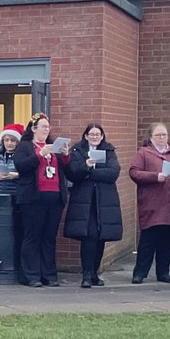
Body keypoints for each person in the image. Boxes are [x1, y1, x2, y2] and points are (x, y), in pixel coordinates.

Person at [128, 122, 170, 284]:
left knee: (168, 241)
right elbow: (134, 172)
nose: (162, 138)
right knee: (148, 241)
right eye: (158, 135)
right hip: (153, 205)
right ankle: (140, 273)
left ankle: (163, 272)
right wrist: (155, 176)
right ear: (151, 137)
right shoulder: (143, 153)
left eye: (164, 135)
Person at [12, 113, 69, 287]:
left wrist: (65, 156)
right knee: (32, 237)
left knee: (49, 237)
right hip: (33, 198)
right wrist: (39, 155)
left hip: (54, 197)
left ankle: (49, 275)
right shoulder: (25, 146)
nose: (46, 129)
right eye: (43, 126)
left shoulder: (54, 147)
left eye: (47, 127)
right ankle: (31, 275)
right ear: (33, 129)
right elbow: (20, 166)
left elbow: (67, 170)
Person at [63, 123, 122, 288]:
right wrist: (85, 167)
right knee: (88, 237)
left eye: (98, 134)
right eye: (92, 134)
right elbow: (73, 173)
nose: (95, 137)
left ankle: (95, 273)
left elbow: (113, 172)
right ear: (86, 136)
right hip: (84, 201)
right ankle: (87, 274)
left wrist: (90, 173)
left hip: (104, 202)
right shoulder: (77, 151)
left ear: (102, 136)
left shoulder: (109, 150)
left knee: (100, 237)